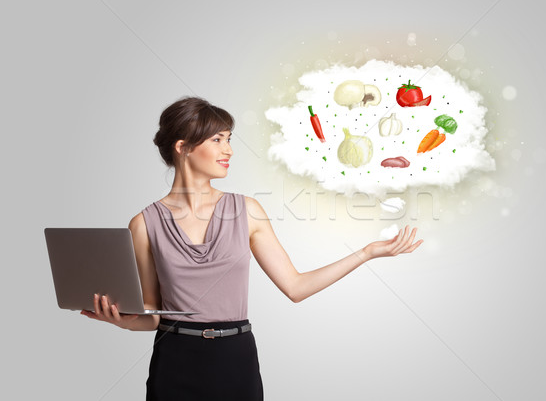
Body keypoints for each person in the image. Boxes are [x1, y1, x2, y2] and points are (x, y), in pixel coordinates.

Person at [81, 96, 424, 400]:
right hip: (174, 362)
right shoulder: (143, 223)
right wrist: (123, 321)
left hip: (235, 360)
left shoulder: (247, 211)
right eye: (217, 140)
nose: (228, 150)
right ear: (183, 147)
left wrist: (366, 253)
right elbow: (154, 313)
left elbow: (296, 287)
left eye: (229, 140)